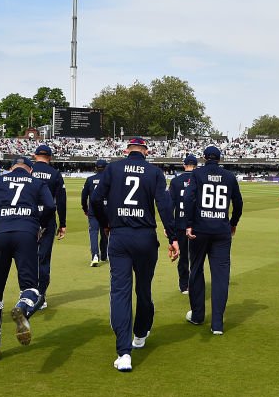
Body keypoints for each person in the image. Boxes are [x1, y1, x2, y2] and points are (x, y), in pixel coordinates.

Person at [89, 137, 180, 373]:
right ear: (146, 151)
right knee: (144, 289)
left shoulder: (113, 168)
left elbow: (96, 199)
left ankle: (124, 353)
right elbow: (165, 206)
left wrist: (105, 223)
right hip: (145, 237)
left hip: (119, 235)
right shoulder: (154, 172)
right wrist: (173, 237)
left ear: (126, 150)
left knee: (120, 292)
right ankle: (140, 334)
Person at [0, 156, 55, 362]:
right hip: (26, 235)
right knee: (32, 288)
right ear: (30, 170)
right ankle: (23, 307)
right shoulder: (37, 182)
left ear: (11, 169)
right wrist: (41, 225)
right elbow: (50, 206)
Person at [184, 146, 243, 335]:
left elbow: (188, 199)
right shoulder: (229, 176)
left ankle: (198, 315)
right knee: (220, 276)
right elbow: (238, 203)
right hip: (221, 230)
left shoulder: (197, 174)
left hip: (200, 229)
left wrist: (189, 223)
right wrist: (233, 223)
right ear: (219, 158)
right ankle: (217, 323)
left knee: (196, 270)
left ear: (203, 158)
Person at [30, 144, 67, 310]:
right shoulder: (55, 174)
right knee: (43, 260)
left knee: (27, 259)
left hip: (27, 219)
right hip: (47, 220)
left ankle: (27, 293)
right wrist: (63, 224)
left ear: (34, 155)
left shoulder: (28, 171)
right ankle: (41, 296)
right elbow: (61, 201)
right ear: (50, 157)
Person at [167, 154, 198, 294]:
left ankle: (184, 285)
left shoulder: (176, 181)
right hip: (196, 224)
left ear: (184, 165)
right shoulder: (199, 179)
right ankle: (195, 284)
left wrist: (169, 226)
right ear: (196, 166)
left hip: (180, 223)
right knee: (196, 257)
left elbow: (169, 205)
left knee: (183, 256)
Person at [81, 159, 109, 267]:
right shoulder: (110, 180)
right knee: (105, 232)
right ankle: (104, 255)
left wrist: (85, 209)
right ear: (106, 168)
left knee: (93, 233)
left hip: (93, 210)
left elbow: (84, 197)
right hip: (106, 209)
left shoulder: (90, 179)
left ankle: (95, 256)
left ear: (96, 168)